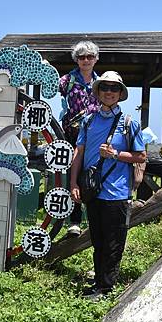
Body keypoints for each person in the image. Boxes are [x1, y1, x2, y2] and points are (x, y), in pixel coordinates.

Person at [70, 71, 146, 300]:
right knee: (98, 241)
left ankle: (104, 288)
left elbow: (141, 156)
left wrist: (115, 154)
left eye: (114, 88)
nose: (109, 92)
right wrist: (73, 182)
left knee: (114, 244)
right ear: (99, 92)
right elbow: (79, 153)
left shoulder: (129, 123)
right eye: (105, 88)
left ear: (120, 93)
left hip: (117, 194)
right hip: (93, 191)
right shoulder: (88, 121)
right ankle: (99, 284)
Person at [59, 41, 101, 236]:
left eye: (90, 56)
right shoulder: (66, 80)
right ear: (76, 59)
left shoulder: (101, 82)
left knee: (92, 173)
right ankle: (74, 221)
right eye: (82, 56)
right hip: (71, 134)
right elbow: (50, 90)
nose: (86, 60)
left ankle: (94, 219)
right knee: (72, 175)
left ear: (96, 59)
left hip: (94, 134)